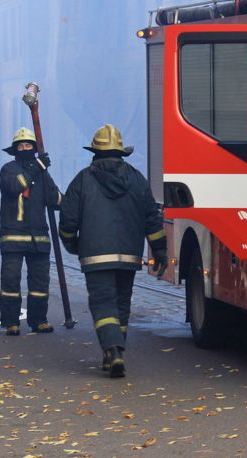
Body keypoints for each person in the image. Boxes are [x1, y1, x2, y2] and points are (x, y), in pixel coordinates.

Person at [58, 124, 166, 378]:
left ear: (95, 152)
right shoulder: (137, 179)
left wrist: (73, 244)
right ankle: (117, 350)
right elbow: (152, 217)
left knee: (103, 303)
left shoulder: (82, 180)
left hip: (95, 256)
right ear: (121, 153)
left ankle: (112, 351)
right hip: (128, 255)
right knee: (121, 304)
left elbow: (68, 221)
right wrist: (160, 250)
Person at [0, 127, 61, 336]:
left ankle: (39, 320)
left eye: (28, 145)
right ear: (15, 149)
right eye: (21, 145)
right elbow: (15, 186)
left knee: (40, 283)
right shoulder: (9, 169)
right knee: (10, 281)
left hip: (39, 239)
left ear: (34, 148)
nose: (25, 148)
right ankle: (11, 322)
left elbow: (56, 198)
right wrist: (38, 167)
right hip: (13, 237)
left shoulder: (42, 174)